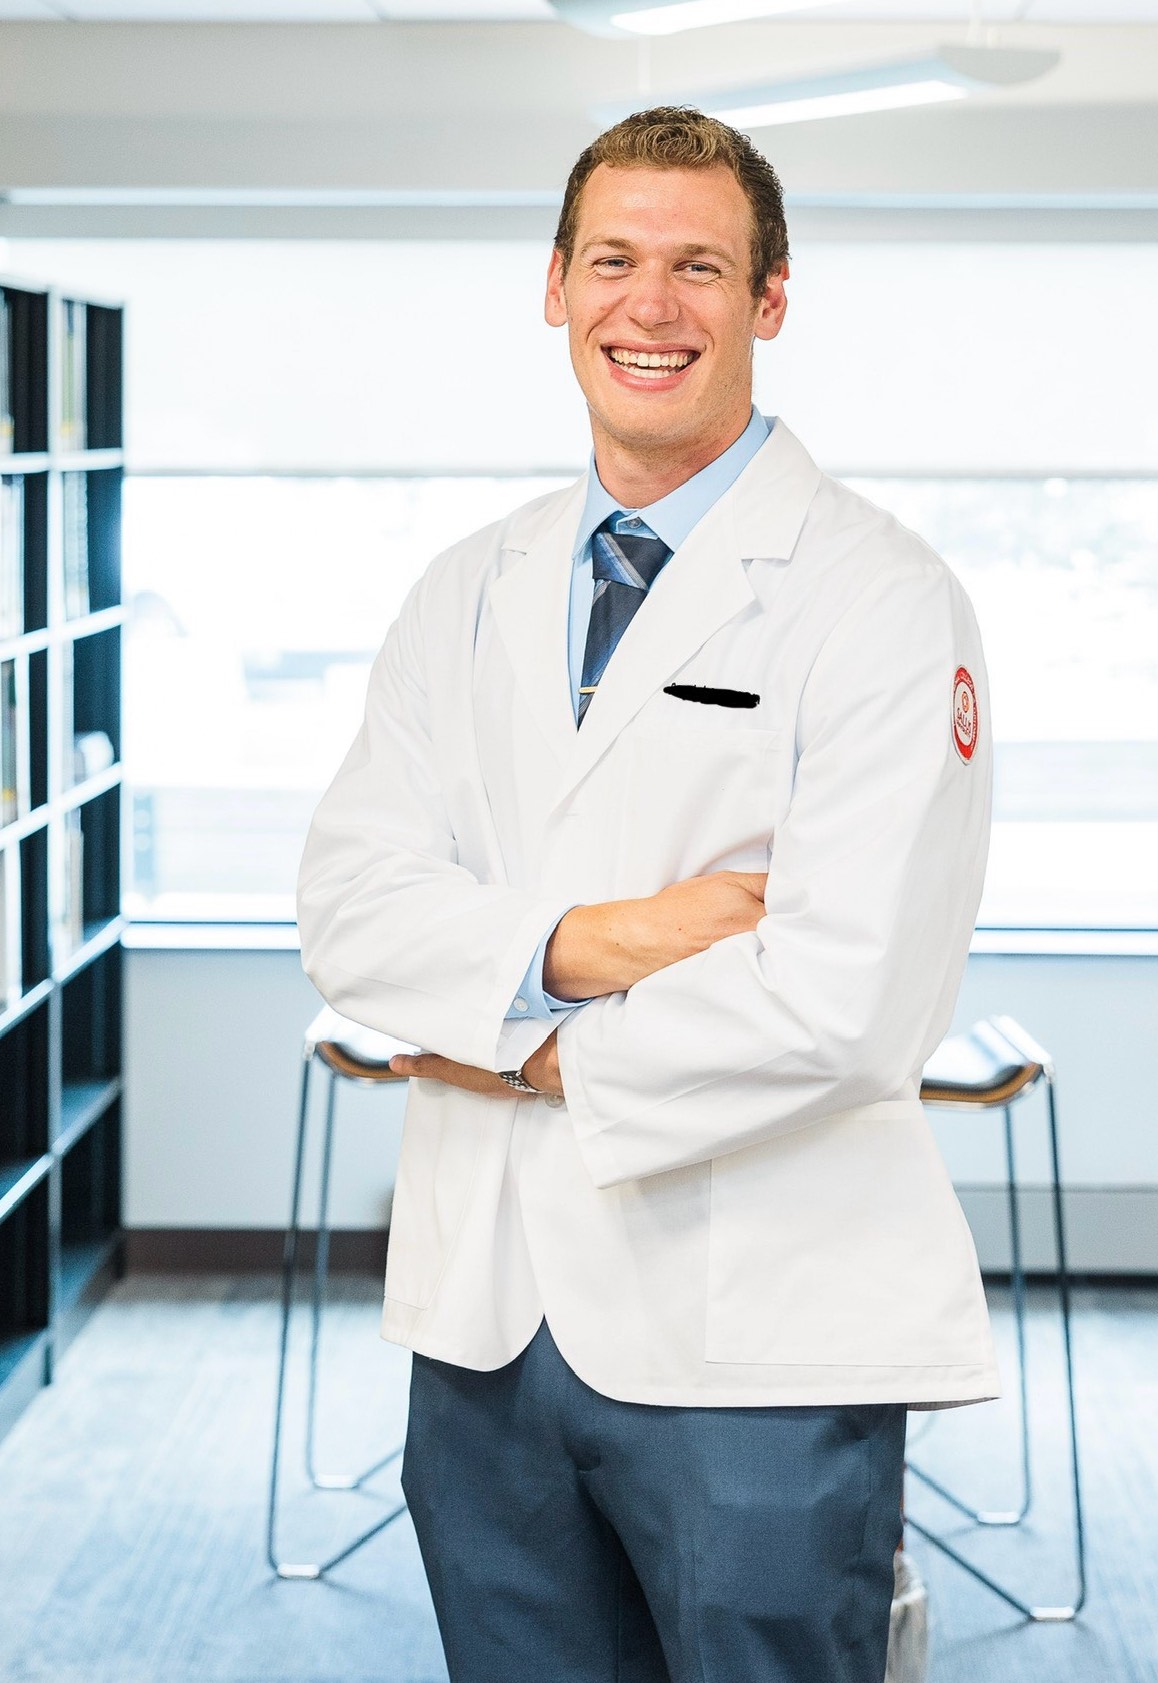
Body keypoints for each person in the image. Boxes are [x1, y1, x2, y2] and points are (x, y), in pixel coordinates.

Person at [296, 105, 996, 1683]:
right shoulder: (469, 585)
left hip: (750, 1326)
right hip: (483, 1327)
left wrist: (504, 1032)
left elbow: (847, 998)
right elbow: (349, 903)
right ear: (555, 287)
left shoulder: (879, 599)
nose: (650, 305)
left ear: (769, 300)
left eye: (700, 265)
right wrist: (589, 944)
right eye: (613, 259)